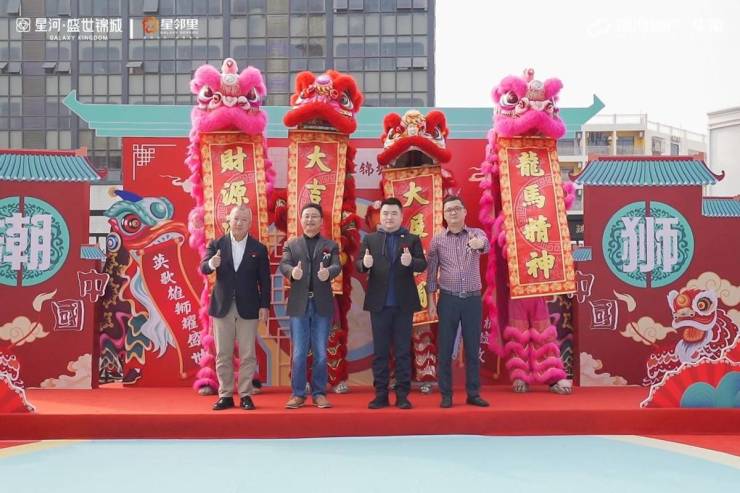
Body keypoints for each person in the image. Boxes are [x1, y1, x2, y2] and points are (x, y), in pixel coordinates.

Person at [356, 197, 427, 409]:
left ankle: (402, 395)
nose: (389, 217)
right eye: (385, 213)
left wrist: (411, 262)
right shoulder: (371, 239)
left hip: (403, 305)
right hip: (379, 305)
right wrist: (364, 264)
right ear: (380, 216)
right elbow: (358, 264)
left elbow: (422, 264)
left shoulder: (411, 239)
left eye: (394, 213)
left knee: (403, 351)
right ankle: (381, 394)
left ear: (401, 216)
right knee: (380, 352)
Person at [200, 204, 270, 411]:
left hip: (249, 306)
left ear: (250, 223)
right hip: (223, 306)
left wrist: (264, 306)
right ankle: (226, 395)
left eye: (244, 219)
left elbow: (265, 281)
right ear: (229, 220)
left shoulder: (258, 248)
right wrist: (212, 264)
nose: (239, 223)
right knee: (223, 353)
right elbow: (204, 267)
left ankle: (246, 394)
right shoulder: (217, 244)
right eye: (236, 219)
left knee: (248, 354)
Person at [427, 196, 490, 408]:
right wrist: (431, 302)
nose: (453, 213)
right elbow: (431, 274)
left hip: (472, 300)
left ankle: (473, 393)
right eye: (448, 210)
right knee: (444, 349)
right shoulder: (437, 240)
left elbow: (486, 244)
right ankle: (446, 394)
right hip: (448, 300)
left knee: (472, 348)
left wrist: (478, 244)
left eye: (456, 209)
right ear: (444, 215)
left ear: (464, 212)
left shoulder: (476, 233)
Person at [279, 203, 341, 409]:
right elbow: (284, 264)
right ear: (301, 219)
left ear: (321, 221)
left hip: (322, 303)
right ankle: (298, 394)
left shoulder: (330, 245)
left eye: (314, 216)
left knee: (321, 352)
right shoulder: (292, 244)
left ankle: (319, 393)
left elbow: (336, 265)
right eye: (306, 216)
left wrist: (328, 273)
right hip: (299, 304)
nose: (310, 220)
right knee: (299, 352)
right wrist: (292, 272)